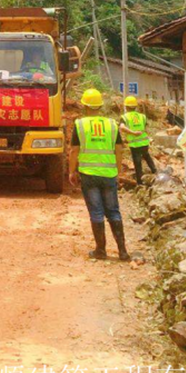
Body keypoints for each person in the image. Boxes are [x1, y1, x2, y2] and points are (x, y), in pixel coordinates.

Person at [68, 88, 130, 261]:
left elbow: (74, 150)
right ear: (100, 106)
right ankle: (123, 251)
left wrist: (72, 171)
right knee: (113, 211)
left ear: (85, 106)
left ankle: (101, 251)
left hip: (88, 174)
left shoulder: (80, 125)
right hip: (109, 174)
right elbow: (119, 150)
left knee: (96, 212)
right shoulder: (112, 124)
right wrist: (117, 171)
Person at [119, 95, 157, 185]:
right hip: (144, 141)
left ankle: (140, 182)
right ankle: (154, 171)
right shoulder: (142, 116)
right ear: (135, 106)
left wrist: (132, 132)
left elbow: (122, 127)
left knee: (137, 162)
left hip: (135, 144)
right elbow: (145, 127)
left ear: (126, 107)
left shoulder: (125, 117)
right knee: (146, 156)